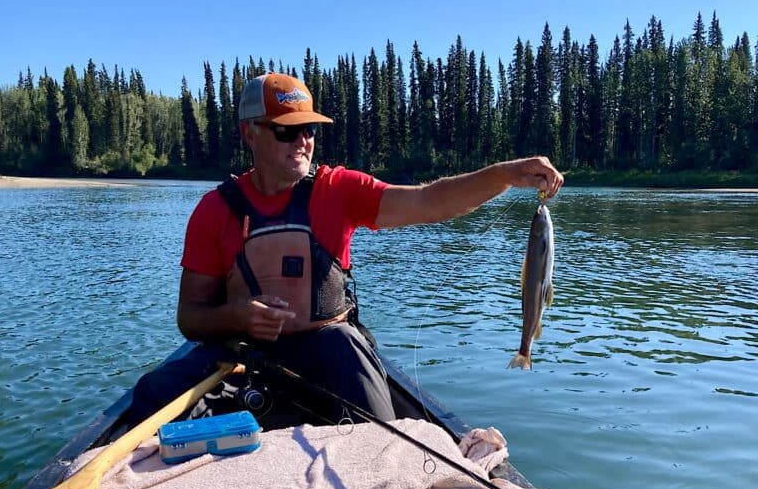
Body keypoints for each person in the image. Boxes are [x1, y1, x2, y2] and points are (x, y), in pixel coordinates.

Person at [129, 72, 563, 425]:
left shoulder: (338, 190)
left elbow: (430, 202)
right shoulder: (214, 211)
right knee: (152, 395)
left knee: (349, 349)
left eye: (310, 129)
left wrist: (507, 174)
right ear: (250, 133)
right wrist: (238, 317)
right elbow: (191, 319)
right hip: (240, 356)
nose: (303, 141)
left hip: (329, 352)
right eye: (286, 131)